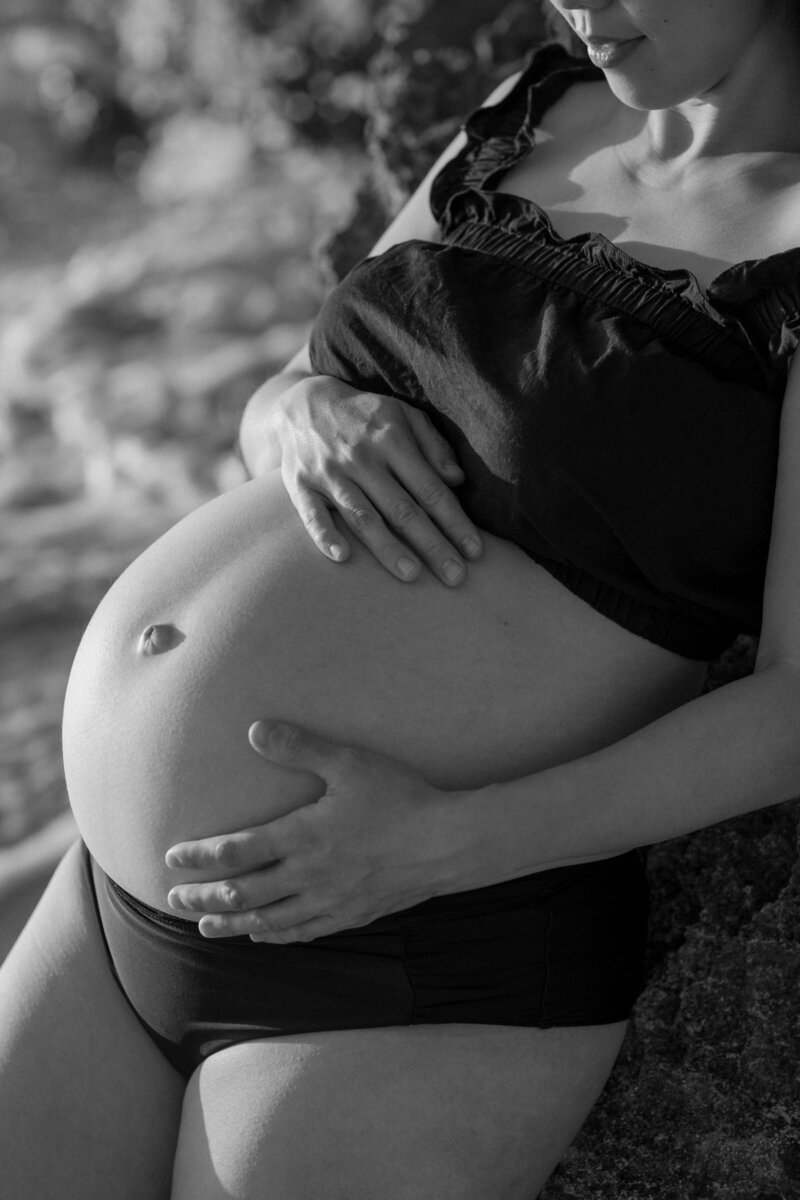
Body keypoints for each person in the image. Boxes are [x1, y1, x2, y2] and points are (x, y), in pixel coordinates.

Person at [3, 2, 800, 1196]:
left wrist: (433, 851)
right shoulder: (540, 112)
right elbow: (281, 392)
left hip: (410, 958)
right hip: (124, 913)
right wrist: (306, 415)